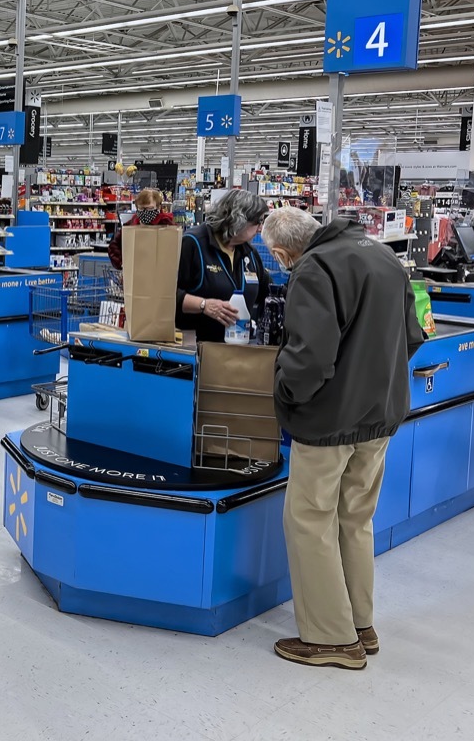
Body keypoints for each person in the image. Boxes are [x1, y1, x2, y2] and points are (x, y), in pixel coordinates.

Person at [261, 207, 425, 671]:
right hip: (381, 415)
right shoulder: (382, 254)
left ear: (281, 252)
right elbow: (413, 336)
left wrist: (287, 396)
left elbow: (309, 359)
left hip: (329, 421)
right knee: (355, 519)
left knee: (309, 521)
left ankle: (331, 639)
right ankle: (360, 625)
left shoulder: (315, 268)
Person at [176, 189, 269, 343]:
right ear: (239, 220)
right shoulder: (193, 243)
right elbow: (167, 295)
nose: (260, 228)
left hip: (238, 349)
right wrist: (203, 305)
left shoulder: (249, 252)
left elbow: (267, 291)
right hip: (197, 348)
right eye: (257, 222)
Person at [107, 188, 176, 270]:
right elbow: (114, 245)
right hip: (135, 273)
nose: (145, 212)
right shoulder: (131, 224)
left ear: (158, 207)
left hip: (159, 274)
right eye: (141, 209)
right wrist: (122, 263)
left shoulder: (166, 224)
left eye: (150, 209)